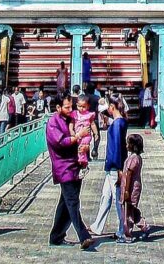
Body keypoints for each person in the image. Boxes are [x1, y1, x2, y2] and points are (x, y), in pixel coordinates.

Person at [45, 95, 94, 249]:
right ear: (58, 108)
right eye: (66, 107)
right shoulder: (53, 123)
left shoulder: (70, 119)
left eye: (70, 106)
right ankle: (83, 236)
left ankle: (56, 236)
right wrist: (79, 136)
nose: (70, 109)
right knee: (72, 202)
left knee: (65, 204)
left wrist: (86, 147)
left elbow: (83, 138)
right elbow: (61, 143)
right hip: (63, 167)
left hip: (75, 165)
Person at [90, 97, 127, 240]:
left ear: (112, 106)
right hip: (111, 165)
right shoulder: (120, 122)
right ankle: (97, 226)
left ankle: (122, 230)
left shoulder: (117, 125)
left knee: (118, 199)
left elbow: (117, 147)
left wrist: (118, 168)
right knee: (106, 196)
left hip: (114, 166)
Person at [121, 133, 150, 241]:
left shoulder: (133, 159)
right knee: (132, 210)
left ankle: (128, 235)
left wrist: (127, 190)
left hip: (131, 188)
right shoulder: (137, 158)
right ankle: (144, 226)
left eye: (128, 144)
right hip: (134, 187)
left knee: (128, 212)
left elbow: (129, 174)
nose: (126, 145)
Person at [71, 93, 96, 170]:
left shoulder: (89, 114)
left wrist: (96, 133)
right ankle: (82, 162)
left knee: (82, 147)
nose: (81, 108)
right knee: (78, 147)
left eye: (83, 107)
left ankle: (83, 161)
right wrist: (72, 131)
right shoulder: (74, 114)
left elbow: (92, 124)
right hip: (77, 134)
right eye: (79, 106)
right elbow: (71, 123)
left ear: (88, 106)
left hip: (86, 135)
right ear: (76, 104)